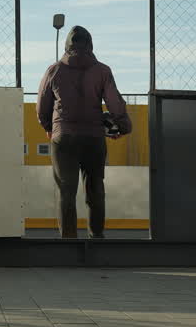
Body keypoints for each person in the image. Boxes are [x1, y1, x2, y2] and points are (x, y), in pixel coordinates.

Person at [35, 25, 132, 239]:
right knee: (95, 188)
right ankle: (96, 238)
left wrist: (49, 128)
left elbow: (42, 105)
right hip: (94, 138)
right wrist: (123, 126)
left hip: (64, 137)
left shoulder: (55, 70)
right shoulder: (102, 71)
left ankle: (69, 241)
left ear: (67, 45)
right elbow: (115, 104)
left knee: (66, 192)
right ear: (90, 44)